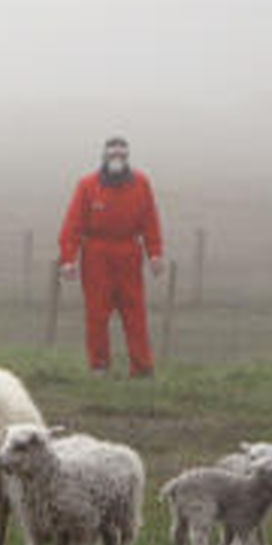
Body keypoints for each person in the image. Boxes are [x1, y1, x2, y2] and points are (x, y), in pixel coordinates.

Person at [57, 135, 165, 377]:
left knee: (135, 313)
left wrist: (155, 254)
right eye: (112, 155)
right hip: (96, 255)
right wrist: (68, 258)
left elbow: (150, 222)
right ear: (104, 157)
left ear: (127, 158)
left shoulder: (141, 184)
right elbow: (73, 224)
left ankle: (142, 367)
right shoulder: (87, 186)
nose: (117, 159)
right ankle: (99, 366)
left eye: (121, 155)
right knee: (97, 314)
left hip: (128, 253)